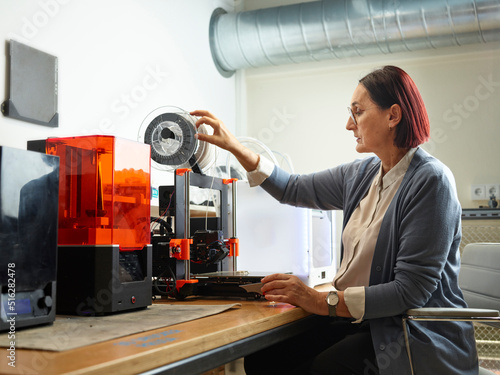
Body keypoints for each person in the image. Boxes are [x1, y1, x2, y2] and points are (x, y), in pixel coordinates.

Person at [190, 65, 478, 375]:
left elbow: (409, 292)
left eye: (357, 112)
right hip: (360, 321)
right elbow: (291, 187)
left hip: (410, 333)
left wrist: (320, 300)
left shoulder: (431, 182)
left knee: (327, 368)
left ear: (393, 116)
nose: (348, 124)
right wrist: (235, 147)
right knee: (265, 358)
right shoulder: (361, 174)